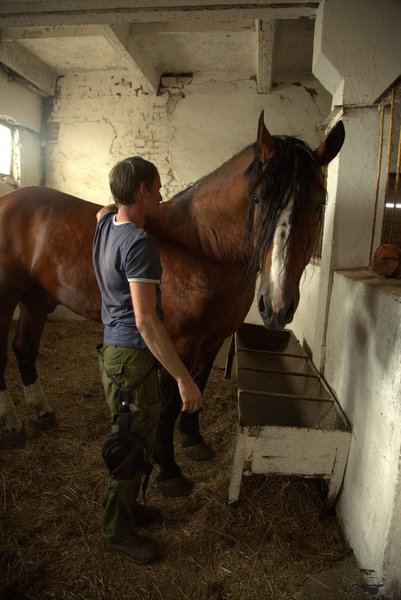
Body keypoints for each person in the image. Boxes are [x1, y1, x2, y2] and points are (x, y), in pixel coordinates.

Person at [92, 156, 202, 565]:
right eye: (156, 188)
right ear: (141, 190)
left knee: (135, 434)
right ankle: (116, 530)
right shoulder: (140, 245)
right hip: (132, 355)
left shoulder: (107, 224)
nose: (160, 195)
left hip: (115, 354)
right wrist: (183, 378)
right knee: (130, 444)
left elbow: (103, 209)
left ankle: (130, 510)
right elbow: (146, 322)